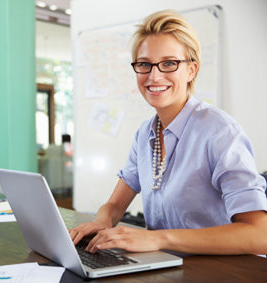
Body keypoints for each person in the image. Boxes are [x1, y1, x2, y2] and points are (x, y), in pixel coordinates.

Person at [69, 10, 267, 255]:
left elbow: (259, 234)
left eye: (169, 63)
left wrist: (158, 239)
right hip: (166, 267)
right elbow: (114, 204)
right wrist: (101, 222)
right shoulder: (145, 134)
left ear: (191, 70)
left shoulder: (220, 132)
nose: (154, 76)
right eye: (144, 64)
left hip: (219, 272)